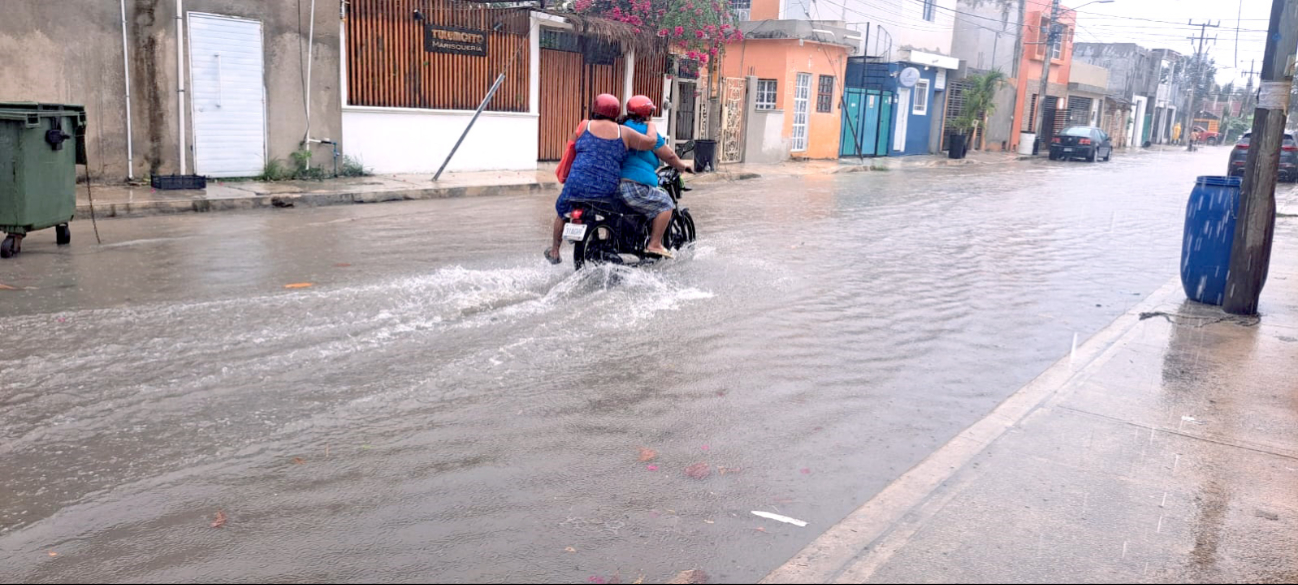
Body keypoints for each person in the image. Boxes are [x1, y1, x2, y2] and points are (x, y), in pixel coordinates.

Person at [546, 94, 660, 264]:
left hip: (575, 185)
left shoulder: (584, 126)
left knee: (562, 212)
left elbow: (570, 151)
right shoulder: (625, 132)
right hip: (605, 188)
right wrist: (651, 124)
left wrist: (565, 176)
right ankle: (614, 244)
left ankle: (555, 250)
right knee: (618, 213)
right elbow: (651, 143)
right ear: (616, 113)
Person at [617, 95, 691, 259]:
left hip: (615, 186)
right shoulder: (646, 130)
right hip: (635, 186)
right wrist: (682, 166)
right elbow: (669, 155)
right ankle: (655, 243)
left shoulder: (620, 127)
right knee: (666, 204)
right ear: (648, 113)